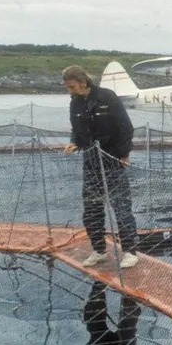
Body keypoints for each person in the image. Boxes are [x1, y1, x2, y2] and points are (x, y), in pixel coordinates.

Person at [62, 65, 139, 268]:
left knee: (121, 207)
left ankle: (130, 251)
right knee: (91, 209)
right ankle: (99, 250)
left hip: (112, 159)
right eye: (67, 88)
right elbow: (76, 129)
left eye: (72, 87)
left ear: (83, 82)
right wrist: (74, 141)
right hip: (91, 162)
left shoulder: (107, 97)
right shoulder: (75, 103)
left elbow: (125, 127)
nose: (70, 91)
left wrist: (124, 154)